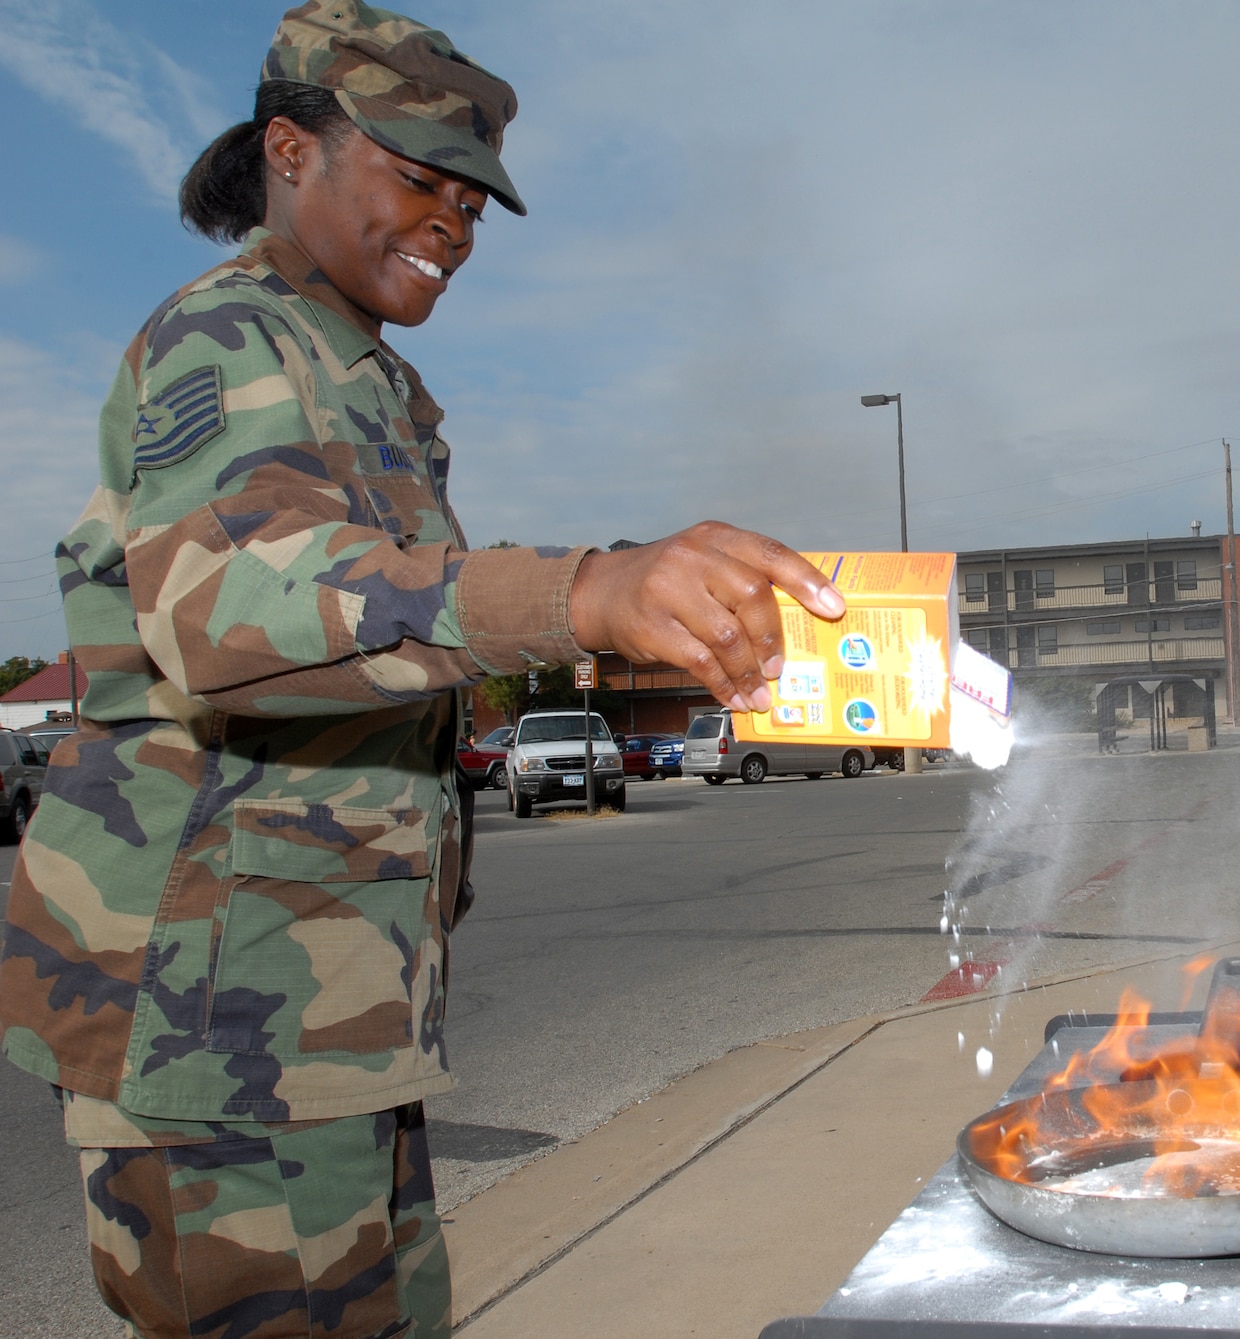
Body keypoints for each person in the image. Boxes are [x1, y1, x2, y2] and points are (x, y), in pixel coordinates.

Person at [0, 5, 845, 1336]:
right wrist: (581, 591)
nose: (452, 222)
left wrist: (627, 602)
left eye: (472, 201)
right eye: (416, 178)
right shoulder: (227, 341)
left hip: (321, 1022)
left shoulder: (369, 384)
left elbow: (399, 635)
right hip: (216, 1030)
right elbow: (232, 614)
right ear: (290, 150)